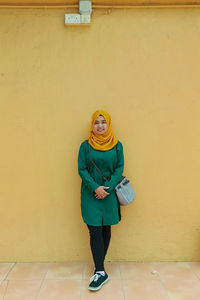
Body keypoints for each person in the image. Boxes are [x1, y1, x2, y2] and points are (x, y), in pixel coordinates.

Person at [78, 110, 124, 291]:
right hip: (91, 193)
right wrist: (95, 188)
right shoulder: (85, 146)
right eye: (96, 122)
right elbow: (82, 169)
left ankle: (100, 269)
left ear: (109, 124)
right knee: (95, 230)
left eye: (103, 122)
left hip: (109, 193)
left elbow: (119, 168)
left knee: (106, 228)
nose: (100, 125)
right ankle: (100, 270)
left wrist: (108, 188)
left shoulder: (117, 145)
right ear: (92, 125)